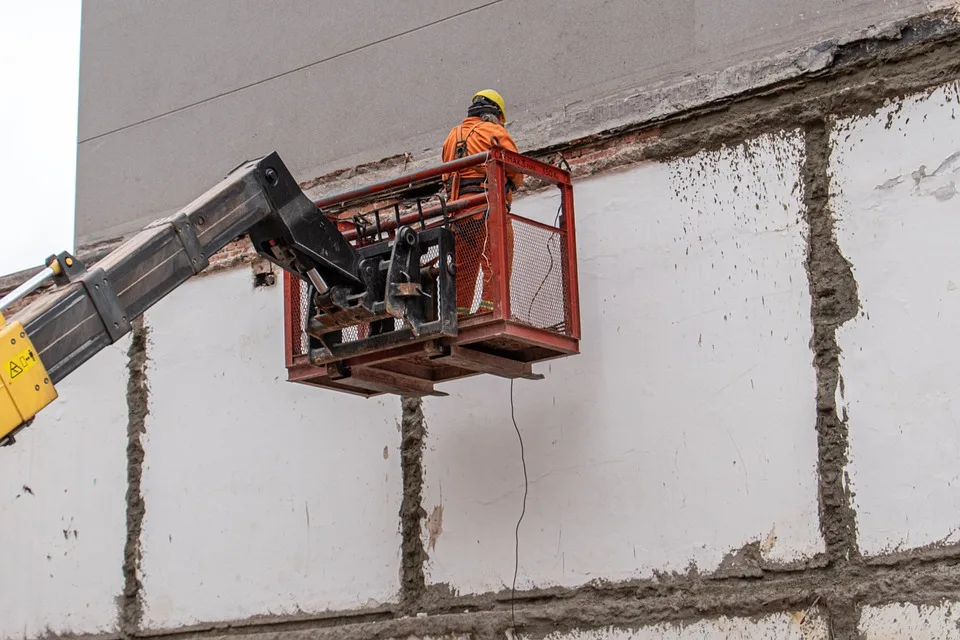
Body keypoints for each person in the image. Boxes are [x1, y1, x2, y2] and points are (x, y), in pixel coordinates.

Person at [441, 90, 525, 316]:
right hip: (488, 208)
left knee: (463, 266)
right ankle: (491, 310)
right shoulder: (494, 132)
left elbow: (445, 174)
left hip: (458, 214)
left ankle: (459, 314)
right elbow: (515, 168)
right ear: (495, 115)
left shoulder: (451, 136)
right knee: (498, 258)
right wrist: (512, 186)